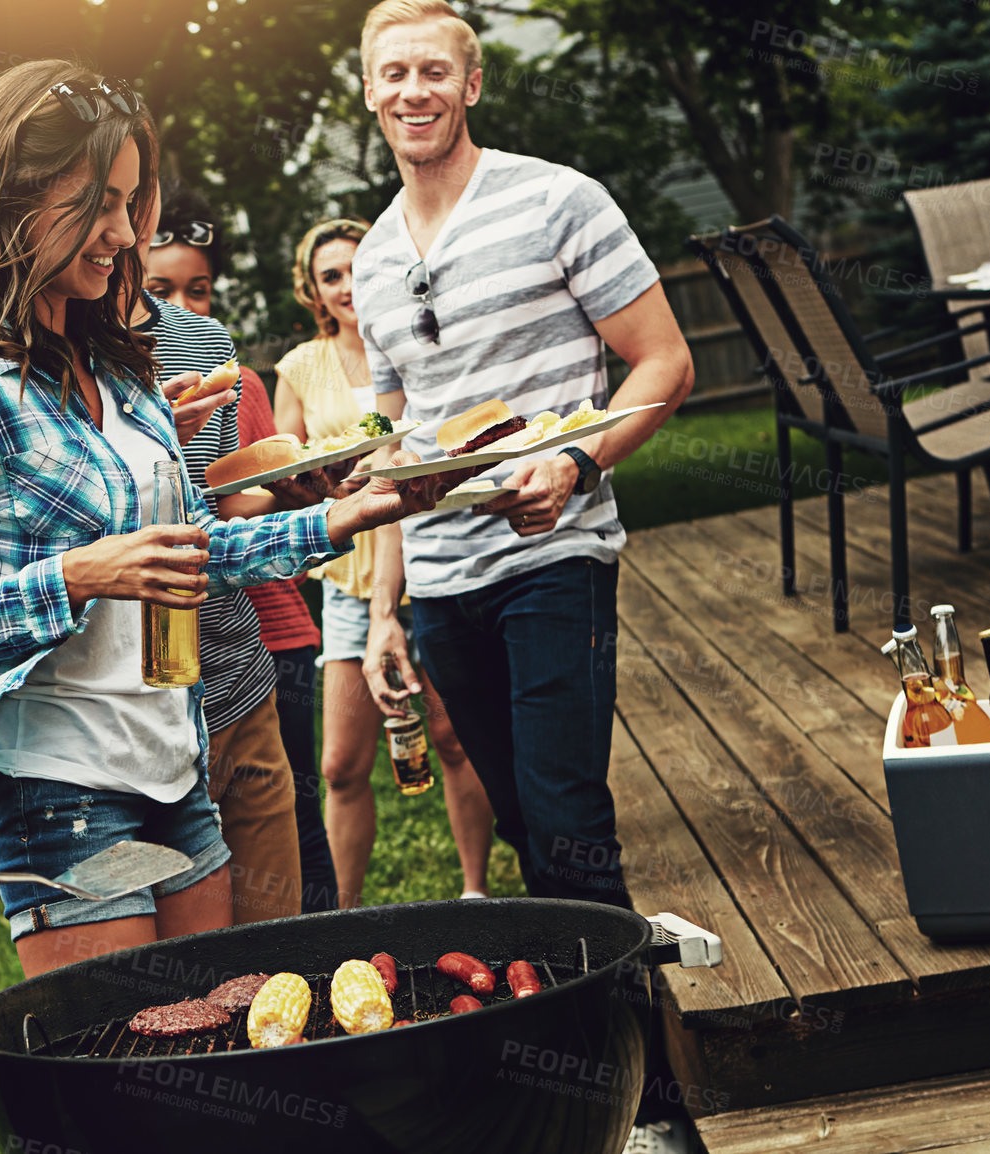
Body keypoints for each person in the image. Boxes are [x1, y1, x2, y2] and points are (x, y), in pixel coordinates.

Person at [0, 60, 449, 978]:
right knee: (134, 1074)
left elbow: (192, 553)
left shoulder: (117, 363)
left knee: (216, 1034)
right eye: (100, 204)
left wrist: (346, 515)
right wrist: (78, 576)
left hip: (174, 765)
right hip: (60, 791)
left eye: (131, 203)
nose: (123, 234)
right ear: (15, 198)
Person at [353, 0, 695, 912]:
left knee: (568, 826)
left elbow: (665, 360)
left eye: (433, 71)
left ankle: (635, 1050)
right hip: (440, 581)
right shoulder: (375, 258)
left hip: (556, 558)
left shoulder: (556, 199)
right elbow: (397, 453)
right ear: (368, 91)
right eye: (394, 74)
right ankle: (582, 1027)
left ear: (471, 84)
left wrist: (577, 465)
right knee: (518, 825)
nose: (413, 91)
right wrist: (386, 612)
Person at [275, 216, 492, 907]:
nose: (345, 287)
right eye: (328, 276)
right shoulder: (299, 368)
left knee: (453, 738)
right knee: (340, 764)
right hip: (348, 580)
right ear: (313, 291)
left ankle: (476, 891)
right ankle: (343, 917)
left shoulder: (415, 344)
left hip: (428, 561)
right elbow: (287, 471)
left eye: (353, 270)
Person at [142, 183, 339, 915]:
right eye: (162, 287)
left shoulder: (212, 349)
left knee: (284, 868)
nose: (183, 307)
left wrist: (298, 493)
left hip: (237, 653)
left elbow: (224, 503)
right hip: (140, 681)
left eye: (198, 289)